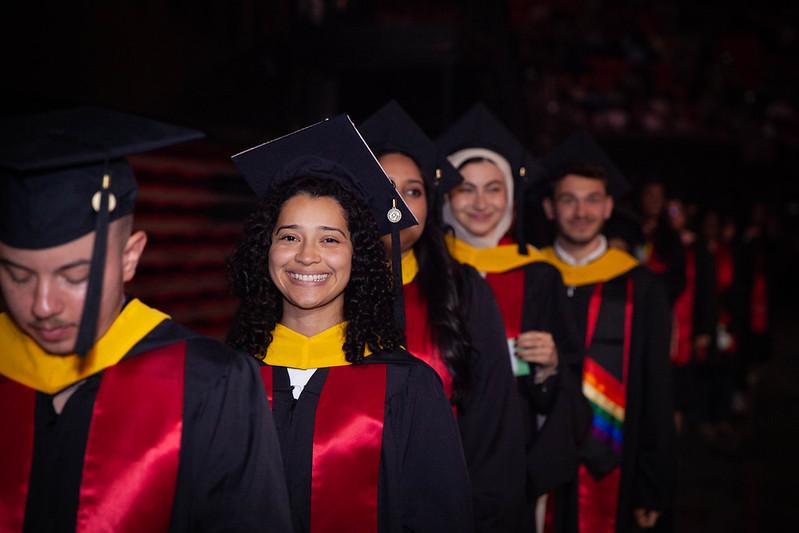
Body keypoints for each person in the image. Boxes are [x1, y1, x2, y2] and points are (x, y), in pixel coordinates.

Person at [0, 108, 291, 532]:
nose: (43, 304)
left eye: (75, 276)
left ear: (130, 257)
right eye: (17, 275)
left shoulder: (208, 383)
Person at [227, 115, 474, 533]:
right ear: (263, 250)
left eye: (329, 238)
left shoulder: (407, 387)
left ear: (357, 255)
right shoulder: (226, 380)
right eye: (288, 237)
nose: (307, 256)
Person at [360, 100, 527, 532]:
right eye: (382, 187)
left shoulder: (464, 291)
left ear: (430, 203)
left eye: (412, 191)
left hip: (444, 506)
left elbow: (493, 422)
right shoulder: (321, 291)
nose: (396, 204)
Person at [437, 103, 588, 531]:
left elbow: (568, 384)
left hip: (514, 442)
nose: (481, 202)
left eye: (494, 188)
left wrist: (550, 369)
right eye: (465, 188)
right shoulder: (427, 270)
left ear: (511, 197)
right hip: (437, 436)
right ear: (446, 197)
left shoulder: (540, 275)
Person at [539, 131, 674, 533]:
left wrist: (653, 486)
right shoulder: (529, 276)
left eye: (592, 199)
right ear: (549, 208)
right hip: (534, 457)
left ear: (609, 206)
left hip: (614, 459)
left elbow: (657, 391)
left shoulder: (641, 287)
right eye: (568, 199)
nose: (581, 211)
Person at [666, 198, 717, 432]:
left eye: (678, 210)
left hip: (687, 324)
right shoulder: (661, 241)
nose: (674, 215)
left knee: (684, 377)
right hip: (665, 321)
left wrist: (705, 328)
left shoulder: (698, 248)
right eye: (670, 211)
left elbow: (708, 290)